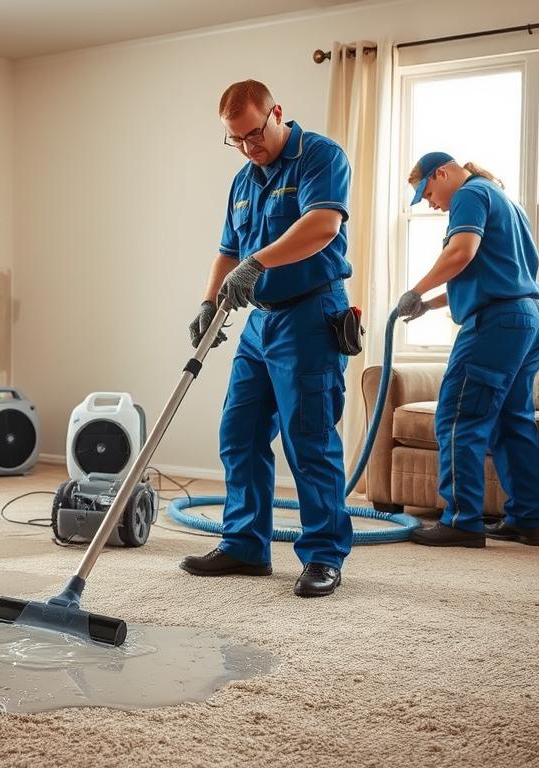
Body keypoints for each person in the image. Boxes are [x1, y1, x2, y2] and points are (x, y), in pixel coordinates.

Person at [181, 79, 354, 597]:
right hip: (261, 323)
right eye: (236, 140)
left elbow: (322, 225)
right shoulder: (243, 179)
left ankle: (324, 555)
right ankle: (245, 545)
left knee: (309, 437)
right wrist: (210, 301)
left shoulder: (319, 156)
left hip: (310, 312)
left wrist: (259, 261)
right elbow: (228, 250)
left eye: (254, 134)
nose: (249, 147)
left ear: (276, 112)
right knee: (240, 431)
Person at [397, 152, 539, 547]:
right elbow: (487, 268)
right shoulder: (504, 200)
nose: (431, 203)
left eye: (428, 193)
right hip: (527, 318)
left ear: (442, 173)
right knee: (513, 421)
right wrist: (429, 305)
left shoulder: (467, 194)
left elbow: (460, 253)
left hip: (495, 322)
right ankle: (527, 519)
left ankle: (461, 521)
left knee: (457, 414)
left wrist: (416, 290)